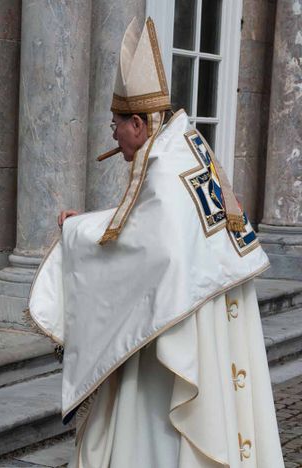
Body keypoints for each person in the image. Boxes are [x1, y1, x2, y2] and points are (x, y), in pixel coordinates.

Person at [28, 17, 284, 468]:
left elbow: (149, 248)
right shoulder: (182, 145)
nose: (112, 134)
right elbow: (147, 222)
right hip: (204, 300)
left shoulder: (164, 166)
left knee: (158, 435)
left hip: (184, 318)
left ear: (140, 124)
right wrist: (87, 222)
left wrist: (75, 234)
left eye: (116, 124)